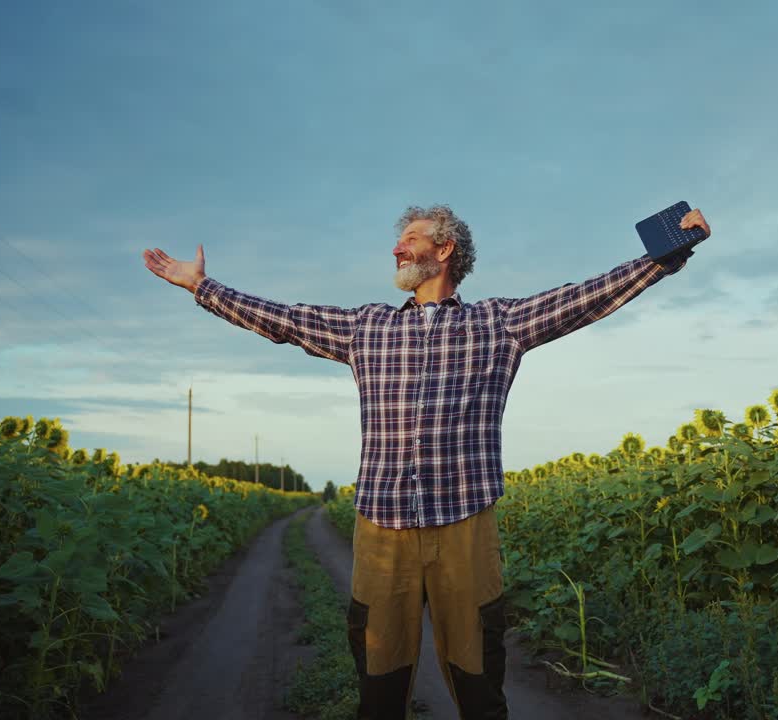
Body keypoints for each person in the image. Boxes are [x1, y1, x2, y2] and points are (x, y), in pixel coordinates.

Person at [141, 203, 709, 720]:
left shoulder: (497, 323)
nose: (396, 247)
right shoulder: (368, 327)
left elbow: (582, 299)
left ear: (445, 251)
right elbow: (284, 320)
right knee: (379, 680)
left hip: (466, 524)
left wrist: (664, 256)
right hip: (381, 528)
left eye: (409, 238)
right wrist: (204, 288)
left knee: (479, 682)